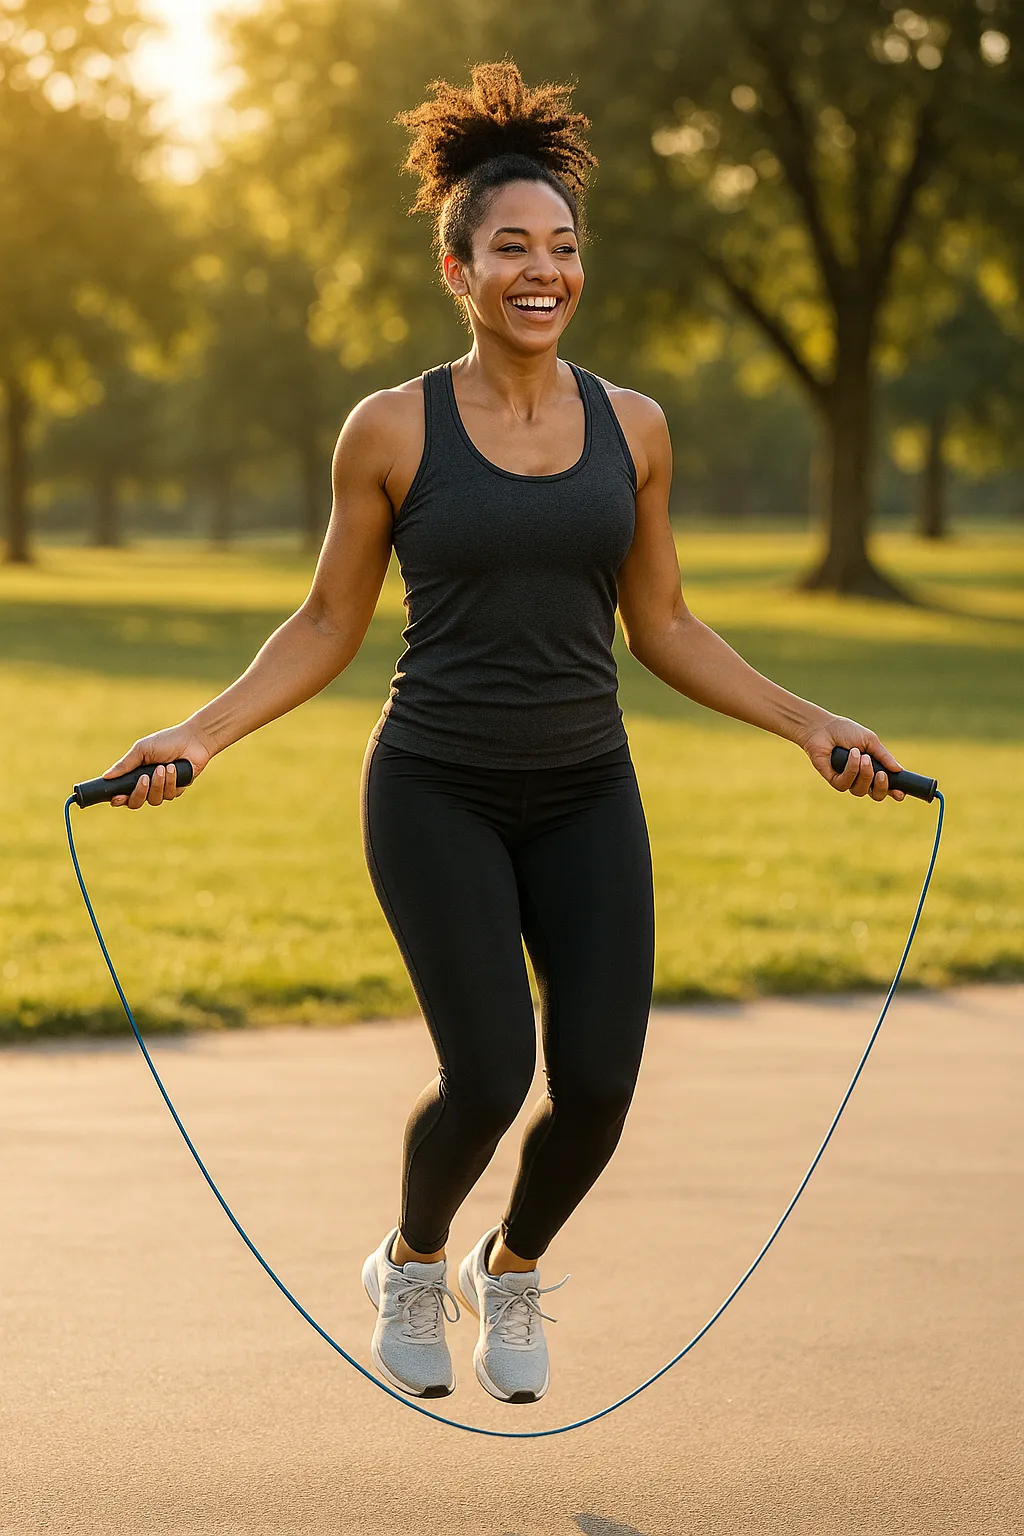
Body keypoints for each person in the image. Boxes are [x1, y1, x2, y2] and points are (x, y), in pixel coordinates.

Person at [103, 61, 906, 1407]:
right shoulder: (391, 429)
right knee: (487, 1073)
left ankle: (510, 1267)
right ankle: (412, 1261)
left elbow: (665, 624)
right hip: (436, 787)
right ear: (459, 269)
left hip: (587, 789)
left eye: (564, 246)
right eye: (513, 248)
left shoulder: (634, 429)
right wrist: (195, 735)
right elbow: (327, 621)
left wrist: (811, 725)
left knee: (596, 1085)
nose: (545, 271)